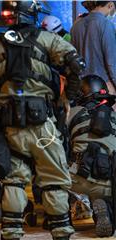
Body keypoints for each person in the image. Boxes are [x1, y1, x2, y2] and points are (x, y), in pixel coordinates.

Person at [0, 1, 86, 239]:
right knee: (53, 178)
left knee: (14, 180)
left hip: (10, 126)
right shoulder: (48, 39)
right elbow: (76, 66)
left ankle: (12, 231)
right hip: (43, 126)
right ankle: (60, 229)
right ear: (34, 14)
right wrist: (65, 100)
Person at [65, 75, 116, 237]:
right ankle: (102, 206)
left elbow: (56, 146)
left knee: (49, 174)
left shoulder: (72, 113)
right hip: (109, 182)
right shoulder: (114, 117)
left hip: (77, 178)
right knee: (102, 185)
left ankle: (60, 219)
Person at [71, 1, 116, 98]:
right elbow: (112, 62)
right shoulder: (106, 24)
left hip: (81, 87)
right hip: (104, 86)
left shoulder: (76, 26)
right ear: (110, 5)